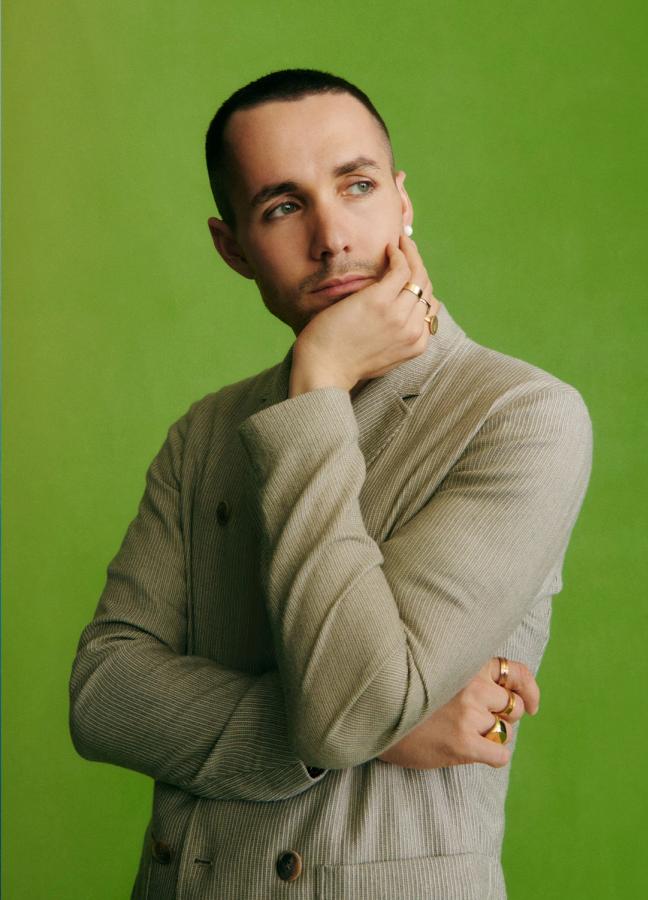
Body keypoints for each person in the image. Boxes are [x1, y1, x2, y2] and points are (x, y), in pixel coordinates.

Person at [69, 69, 593, 899]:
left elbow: (349, 707)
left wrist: (315, 389)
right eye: (283, 206)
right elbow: (102, 695)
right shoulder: (205, 432)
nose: (332, 236)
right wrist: (377, 731)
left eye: (357, 186)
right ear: (232, 246)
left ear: (402, 200)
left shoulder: (519, 417)